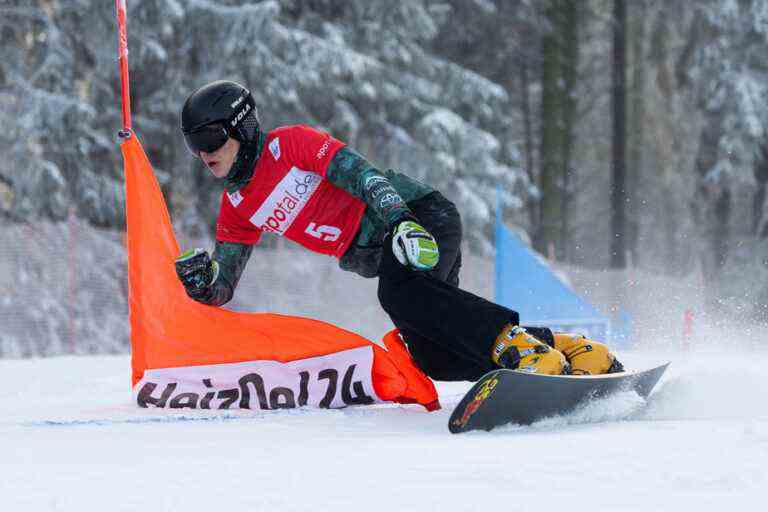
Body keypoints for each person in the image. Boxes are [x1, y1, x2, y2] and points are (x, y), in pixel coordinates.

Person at [175, 80, 623, 382]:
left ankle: (519, 348)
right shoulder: (236, 208)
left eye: (211, 138)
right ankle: (566, 350)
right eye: (193, 144)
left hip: (421, 215)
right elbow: (224, 287)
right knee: (431, 355)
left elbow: (365, 177)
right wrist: (204, 286)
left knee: (399, 293)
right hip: (397, 242)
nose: (203, 153)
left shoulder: (289, 144)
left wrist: (401, 221)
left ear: (241, 127)